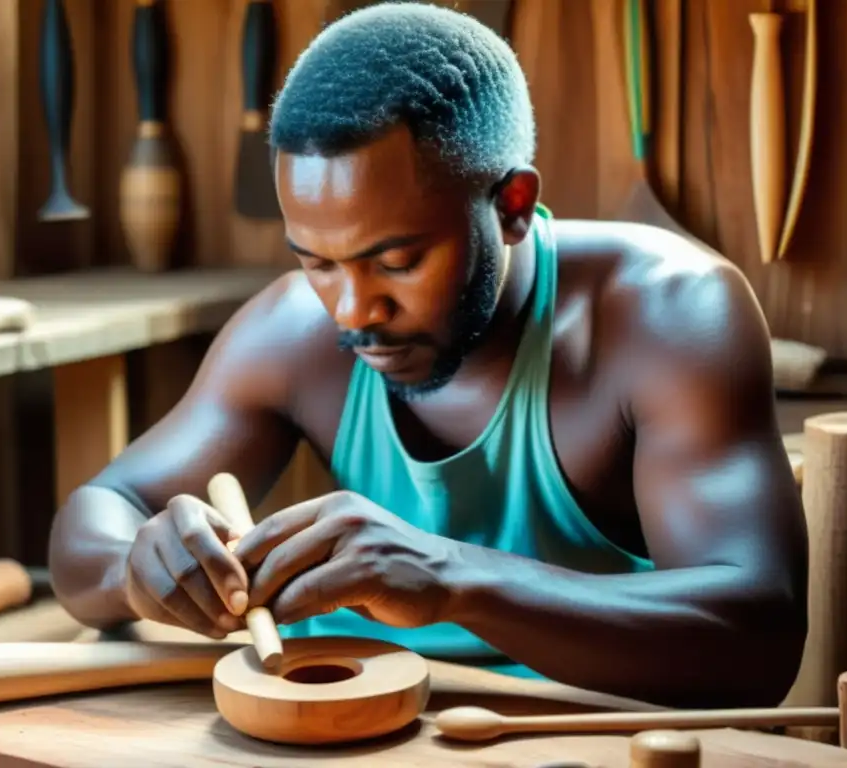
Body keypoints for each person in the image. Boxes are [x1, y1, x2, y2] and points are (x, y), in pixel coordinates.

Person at [48, 2, 807, 709]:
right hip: (342, 730)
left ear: (510, 207)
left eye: (398, 260)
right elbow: (93, 524)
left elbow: (759, 641)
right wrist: (143, 569)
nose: (353, 311)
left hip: (573, 734)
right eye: (317, 262)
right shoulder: (289, 331)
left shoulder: (669, 311)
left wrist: (450, 577)